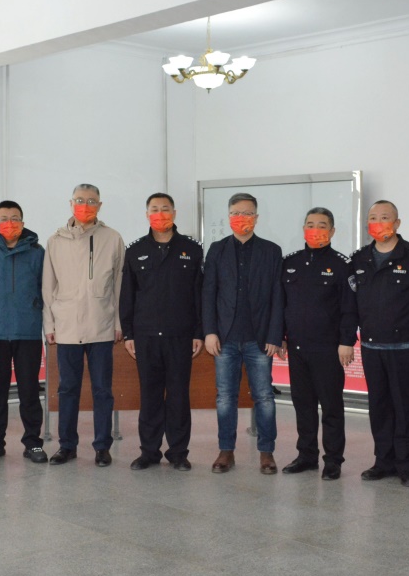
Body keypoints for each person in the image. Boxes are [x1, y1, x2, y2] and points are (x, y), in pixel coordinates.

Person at [43, 184, 125, 467]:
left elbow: (119, 286)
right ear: (70, 203)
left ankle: (102, 447)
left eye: (91, 201)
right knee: (67, 389)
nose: (85, 205)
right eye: (80, 200)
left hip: (101, 325)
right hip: (66, 327)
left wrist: (118, 322)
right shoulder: (55, 240)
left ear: (100, 205)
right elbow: (48, 286)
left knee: (102, 390)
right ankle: (67, 446)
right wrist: (49, 323)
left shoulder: (112, 238)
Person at [120, 193, 203, 471]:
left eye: (165, 209)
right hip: (145, 336)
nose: (160, 214)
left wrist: (199, 332)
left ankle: (178, 452)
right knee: (150, 396)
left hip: (180, 335)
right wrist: (129, 334)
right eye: (154, 209)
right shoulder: (135, 250)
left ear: (174, 213)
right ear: (147, 215)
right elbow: (127, 296)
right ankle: (149, 452)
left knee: (179, 396)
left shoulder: (192, 249)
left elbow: (199, 294)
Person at [202, 193, 284, 475]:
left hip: (259, 340)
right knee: (225, 397)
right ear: (229, 217)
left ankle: (266, 453)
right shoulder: (217, 250)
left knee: (264, 397)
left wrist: (275, 335)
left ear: (256, 218)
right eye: (236, 213)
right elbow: (208, 293)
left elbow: (278, 295)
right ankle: (226, 451)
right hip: (224, 339)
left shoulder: (271, 251)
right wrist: (209, 331)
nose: (242, 218)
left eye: (248, 213)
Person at [350, 200, 409, 487]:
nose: (378, 222)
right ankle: (383, 462)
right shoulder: (359, 259)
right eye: (373, 218)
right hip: (372, 346)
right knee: (379, 406)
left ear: (397, 223)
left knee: (405, 407)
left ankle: (407, 466)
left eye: (385, 217)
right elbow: (351, 302)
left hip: (405, 347)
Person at [279, 207, 357, 480]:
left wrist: (347, 341)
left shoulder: (341, 265)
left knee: (331, 407)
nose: (315, 229)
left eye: (322, 225)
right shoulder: (290, 263)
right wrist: (280, 336)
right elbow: (282, 304)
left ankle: (333, 460)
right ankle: (307, 455)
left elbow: (349, 308)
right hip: (297, 347)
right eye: (310, 224)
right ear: (303, 229)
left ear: (332, 231)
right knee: (303, 405)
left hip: (328, 348)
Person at [0, 200, 48, 464]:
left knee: (29, 391)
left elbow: (44, 287)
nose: (9, 223)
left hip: (28, 331)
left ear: (23, 223)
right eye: (4, 218)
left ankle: (33, 443)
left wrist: (33, 306)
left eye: (15, 218)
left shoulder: (37, 252)